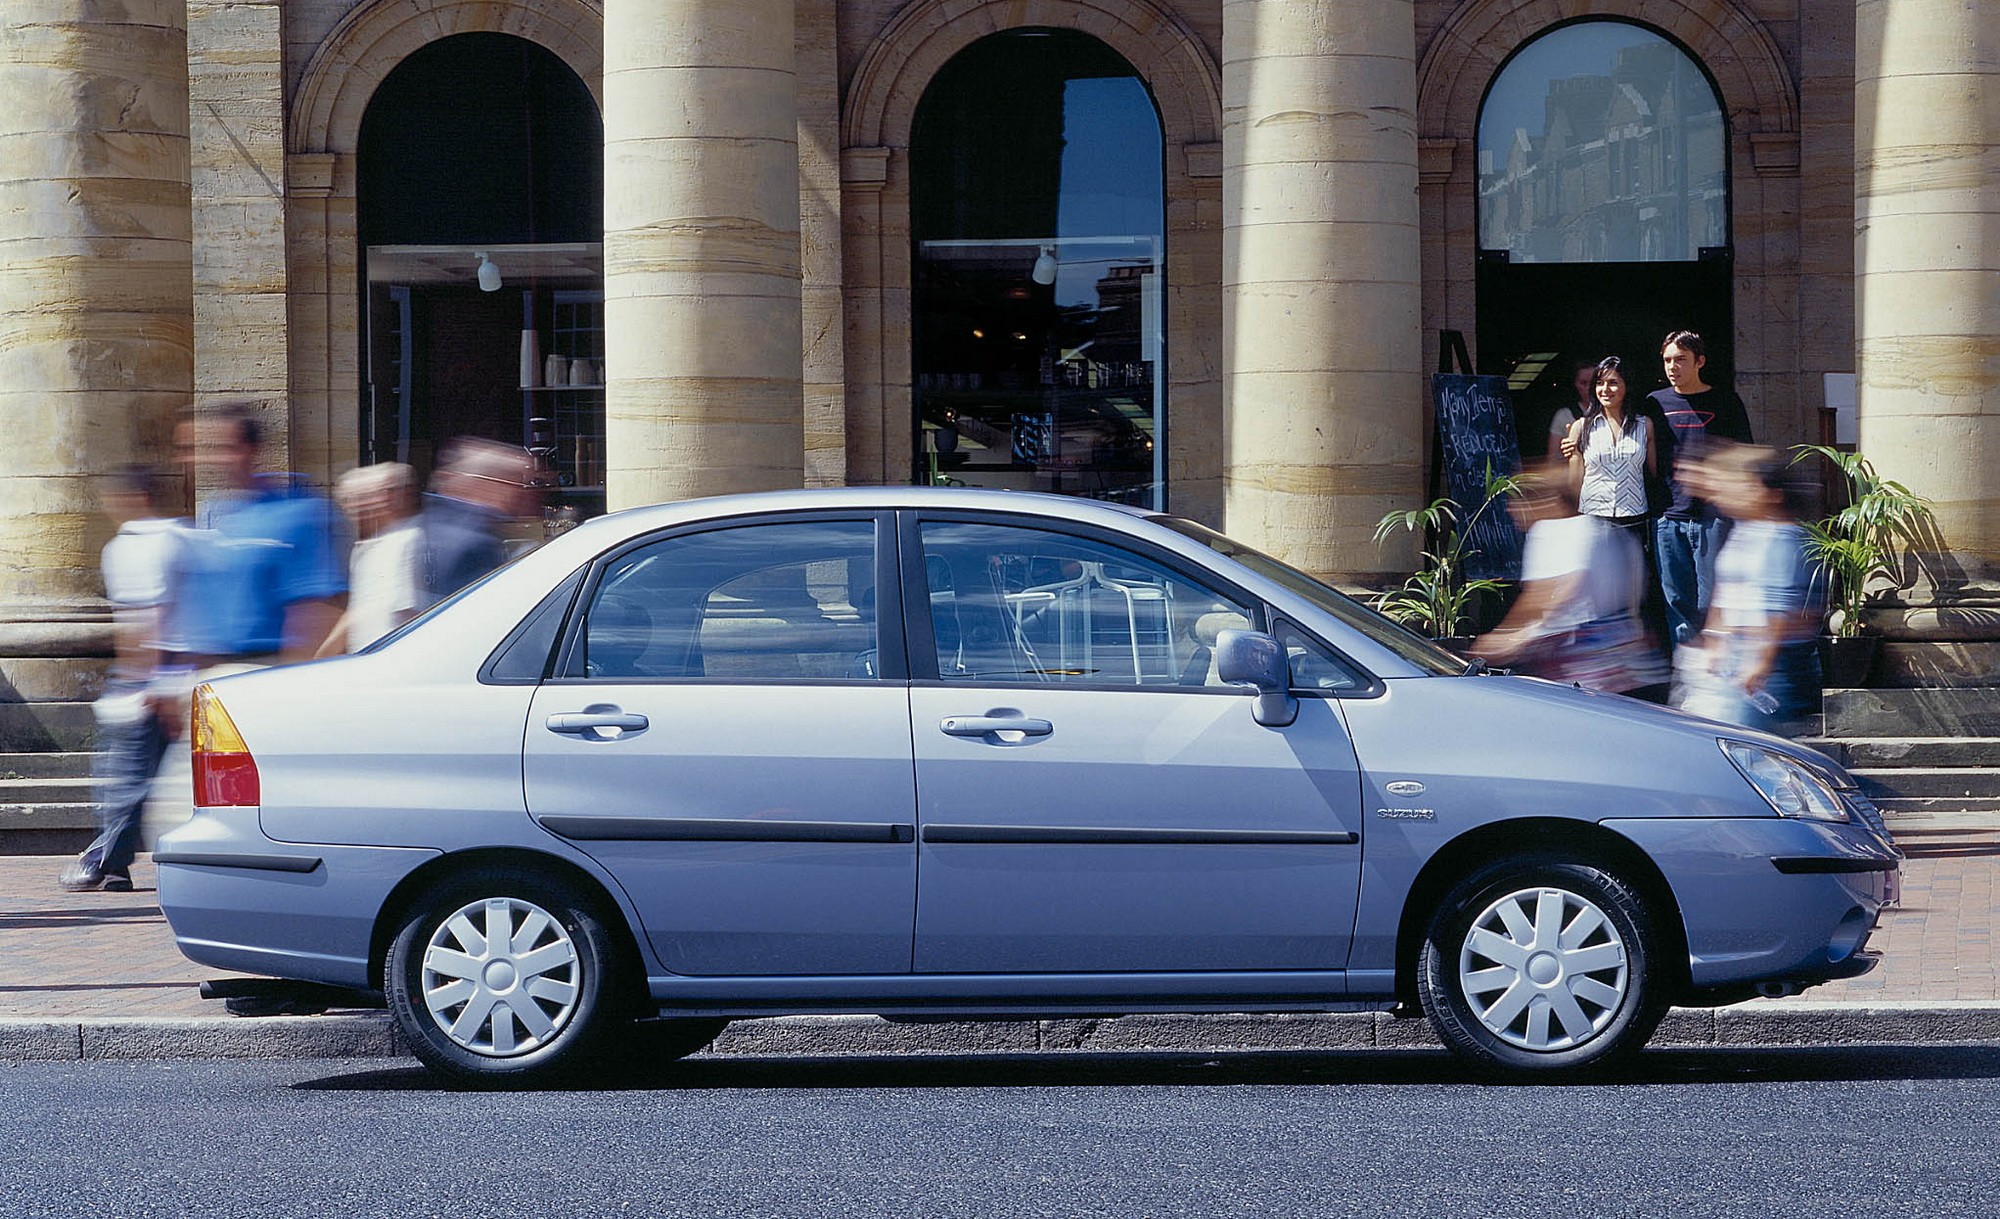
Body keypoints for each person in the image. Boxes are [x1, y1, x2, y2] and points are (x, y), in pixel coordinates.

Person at [59, 468, 185, 892]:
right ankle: (114, 864)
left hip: (150, 676)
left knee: (125, 776)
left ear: (136, 496)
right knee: (141, 775)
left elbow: (144, 617)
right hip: (185, 669)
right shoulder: (184, 538)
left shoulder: (130, 548)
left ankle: (102, 858)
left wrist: (139, 679)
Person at [166, 403, 348, 669]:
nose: (212, 460)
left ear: (251, 450)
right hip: (210, 672)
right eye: (207, 449)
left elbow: (317, 612)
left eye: (225, 448)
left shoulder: (299, 514)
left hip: (263, 668)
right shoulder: (211, 514)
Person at [1469, 465, 1666, 695]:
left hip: (1582, 671)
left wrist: (1508, 637)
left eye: (1520, 502)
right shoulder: (1611, 532)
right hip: (1635, 664)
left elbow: (1547, 595)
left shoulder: (1550, 532)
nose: (1512, 511)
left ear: (1549, 502)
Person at [1673, 443, 1822, 734]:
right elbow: (1726, 592)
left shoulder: (1785, 536)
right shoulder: (1744, 530)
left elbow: (1781, 606)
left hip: (1769, 665)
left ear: (1771, 495)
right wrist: (1713, 640)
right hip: (1736, 656)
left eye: (1744, 485)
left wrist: (1760, 662)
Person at [1648, 330, 1755, 650]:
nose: (1672, 367)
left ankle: (1718, 673)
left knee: (1714, 600)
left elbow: (1743, 455)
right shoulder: (1655, 402)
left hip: (1713, 518)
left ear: (1700, 361)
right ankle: (1688, 681)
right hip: (1669, 518)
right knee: (1677, 602)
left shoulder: (1725, 401)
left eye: (1680, 360)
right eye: (1667, 360)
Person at [418, 437, 543, 605]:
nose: (519, 493)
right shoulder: (478, 541)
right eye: (513, 482)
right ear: (488, 483)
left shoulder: (425, 525)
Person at [318, 462, 422, 656]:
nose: (352, 506)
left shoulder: (411, 540)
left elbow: (409, 613)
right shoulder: (368, 547)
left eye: (361, 497)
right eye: (347, 500)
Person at [1563, 355, 1657, 545]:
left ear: (1626, 385)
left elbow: (1653, 474)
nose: (1605, 390)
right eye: (1599, 383)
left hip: (1634, 518)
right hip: (1592, 518)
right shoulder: (1581, 427)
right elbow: (1575, 482)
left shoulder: (1644, 425)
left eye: (1613, 383)